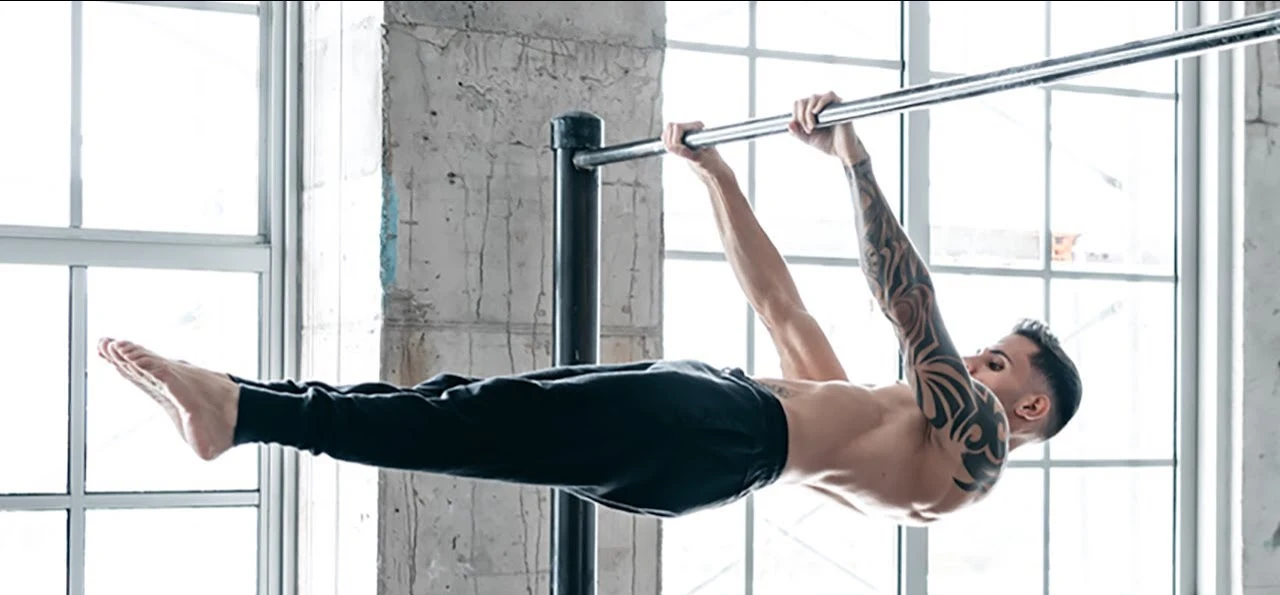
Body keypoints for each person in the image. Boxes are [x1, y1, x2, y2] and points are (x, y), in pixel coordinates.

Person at [97, 91, 1082, 526]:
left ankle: (247, 414)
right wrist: (714, 177)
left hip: (713, 432)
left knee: (468, 423)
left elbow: (911, 308)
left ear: (1027, 409)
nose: (971, 367)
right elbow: (781, 308)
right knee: (467, 412)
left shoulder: (968, 462)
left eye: (997, 365)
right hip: (710, 434)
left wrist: (855, 162)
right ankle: (250, 409)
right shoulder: (892, 429)